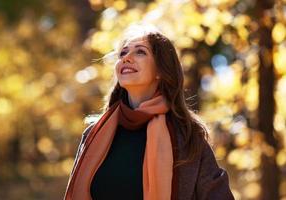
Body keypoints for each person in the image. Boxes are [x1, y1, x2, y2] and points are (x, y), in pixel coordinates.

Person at [63, 24, 234, 200]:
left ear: (161, 70)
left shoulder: (187, 137)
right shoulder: (94, 134)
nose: (127, 58)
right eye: (123, 53)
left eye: (140, 52)